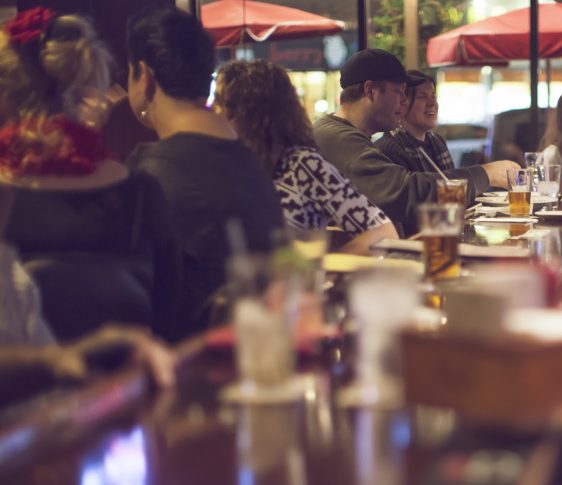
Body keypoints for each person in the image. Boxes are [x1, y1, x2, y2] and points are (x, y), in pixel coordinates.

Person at [0, 7, 179, 341]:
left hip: (26, 375)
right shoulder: (142, 193)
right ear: (87, 88)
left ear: (6, 97)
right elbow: (169, 320)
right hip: (129, 370)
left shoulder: (5, 199)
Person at [124, 5, 283, 339]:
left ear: (145, 76)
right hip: (258, 343)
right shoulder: (245, 157)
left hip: (189, 357)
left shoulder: (152, 170)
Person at [0, 184, 175, 408]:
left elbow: (56, 381)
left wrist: (104, 372)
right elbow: (55, 364)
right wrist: (57, 363)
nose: (8, 195)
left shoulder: (11, 270)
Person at [312, 49, 517, 234]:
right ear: (370, 91)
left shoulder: (342, 134)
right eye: (399, 91)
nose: (403, 100)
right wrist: (486, 174)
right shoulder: (338, 138)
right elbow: (407, 193)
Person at [214, 59, 398, 254]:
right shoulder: (225, 163)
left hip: (290, 273)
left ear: (251, 113)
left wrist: (320, 266)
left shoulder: (300, 165)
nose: (215, 113)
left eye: (224, 107)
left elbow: (383, 232)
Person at [375, 70, 455, 174]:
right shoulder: (390, 149)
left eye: (433, 96)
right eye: (422, 97)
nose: (432, 104)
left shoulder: (437, 141)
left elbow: (453, 181)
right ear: (402, 103)